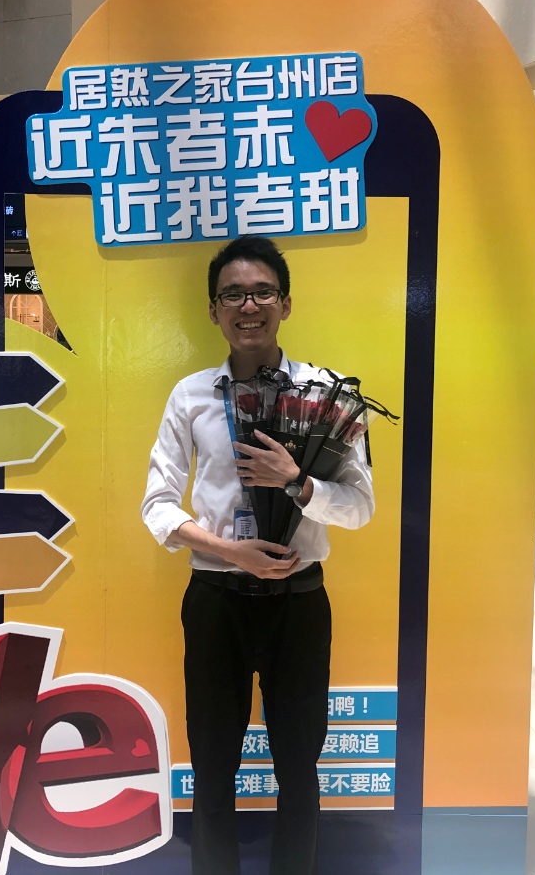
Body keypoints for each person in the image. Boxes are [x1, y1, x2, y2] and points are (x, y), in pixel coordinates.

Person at [140, 235, 375, 875]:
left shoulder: (328, 397)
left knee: (299, 767)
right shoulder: (191, 395)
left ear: (286, 304)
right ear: (214, 310)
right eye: (233, 295)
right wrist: (230, 552)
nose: (249, 306)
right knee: (213, 764)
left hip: (299, 604)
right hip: (216, 602)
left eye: (263, 292)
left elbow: (360, 507)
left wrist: (298, 483)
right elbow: (157, 506)